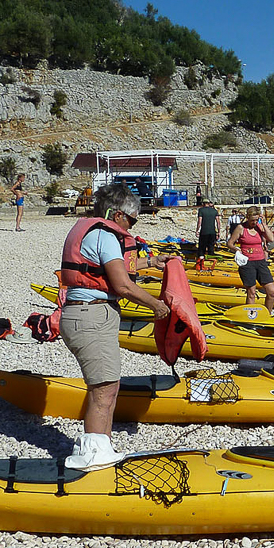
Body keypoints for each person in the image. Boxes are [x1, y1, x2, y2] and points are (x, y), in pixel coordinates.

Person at [58, 183, 174, 470]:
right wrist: (157, 305)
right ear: (119, 215)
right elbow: (122, 285)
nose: (133, 226)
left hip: (86, 315)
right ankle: (91, 456)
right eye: (132, 220)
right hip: (90, 317)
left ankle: (102, 447)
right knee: (104, 389)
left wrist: (150, 261)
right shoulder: (105, 234)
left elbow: (109, 269)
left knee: (107, 386)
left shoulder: (93, 231)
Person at [226, 206, 274, 311]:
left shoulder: (259, 227)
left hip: (261, 261)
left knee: (271, 292)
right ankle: (250, 317)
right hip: (247, 263)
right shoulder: (241, 228)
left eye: (256, 220)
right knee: (251, 293)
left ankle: (267, 314)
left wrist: (263, 224)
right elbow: (230, 243)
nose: (254, 222)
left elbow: (271, 238)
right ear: (248, 218)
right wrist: (237, 249)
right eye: (252, 220)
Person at [195, 198, 219, 264]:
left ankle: (201, 262)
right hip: (213, 232)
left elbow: (199, 221)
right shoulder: (214, 211)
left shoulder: (201, 210)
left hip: (204, 232)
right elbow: (218, 222)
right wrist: (218, 232)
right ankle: (211, 262)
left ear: (203, 204)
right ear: (209, 203)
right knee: (211, 247)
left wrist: (197, 230)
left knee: (202, 248)